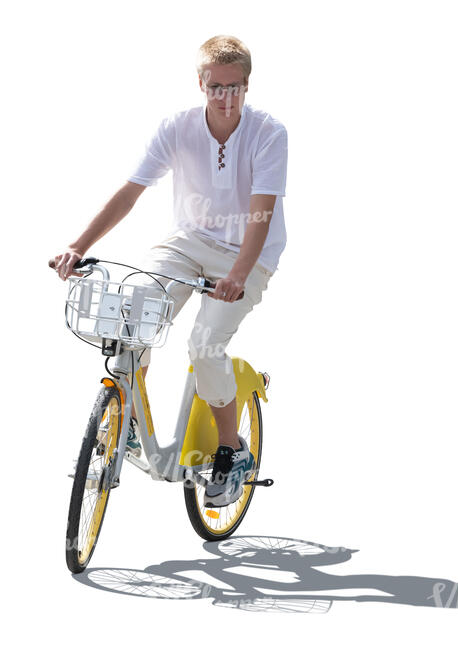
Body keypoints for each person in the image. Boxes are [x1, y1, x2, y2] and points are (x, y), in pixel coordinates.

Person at [49, 35, 288, 507]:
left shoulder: (269, 133)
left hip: (248, 255)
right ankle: (128, 423)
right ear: (200, 83)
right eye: (216, 87)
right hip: (187, 242)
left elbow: (261, 212)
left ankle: (230, 449)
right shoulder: (176, 128)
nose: (226, 97)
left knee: (204, 345)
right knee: (134, 307)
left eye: (235, 87)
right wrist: (78, 245)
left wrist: (239, 273)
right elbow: (131, 191)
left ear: (247, 85)